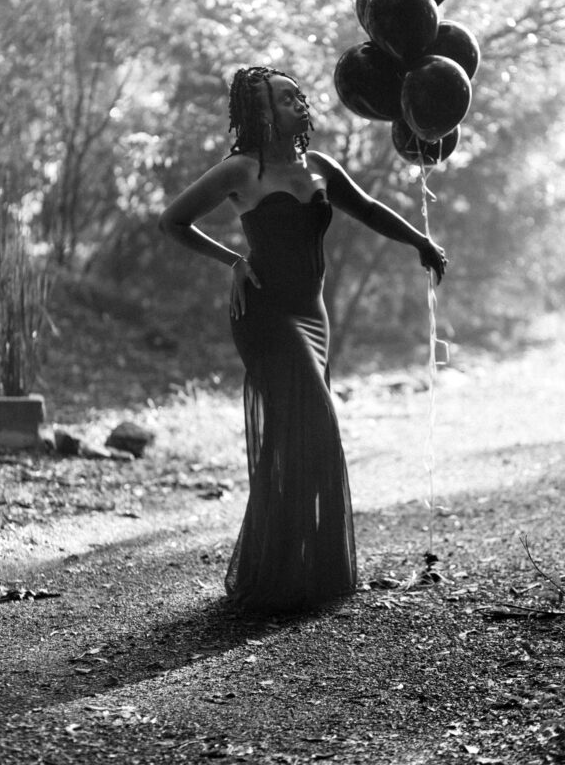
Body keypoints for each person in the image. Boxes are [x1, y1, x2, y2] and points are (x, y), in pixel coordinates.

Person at [159, 65, 447, 614]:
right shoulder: (239, 171)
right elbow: (172, 221)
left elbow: (366, 209)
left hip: (313, 317)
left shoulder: (319, 166)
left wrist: (420, 242)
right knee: (317, 421)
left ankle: (299, 572)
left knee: (298, 436)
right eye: (286, 98)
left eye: (298, 96)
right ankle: (274, 575)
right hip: (264, 314)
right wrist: (234, 261)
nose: (300, 103)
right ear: (261, 112)